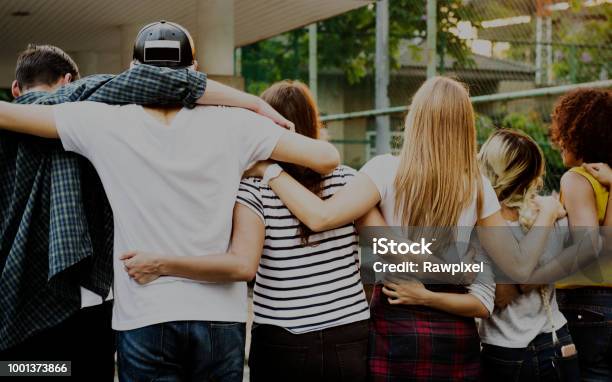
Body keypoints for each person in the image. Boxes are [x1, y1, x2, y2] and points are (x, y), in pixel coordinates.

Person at [0, 22, 337, 382]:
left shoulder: (102, 121)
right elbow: (325, 158)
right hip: (220, 318)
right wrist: (264, 164)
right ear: (194, 70)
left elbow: (10, 114)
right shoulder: (237, 125)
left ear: (133, 72)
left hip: (144, 314)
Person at [246, 76, 566, 381]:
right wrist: (547, 215)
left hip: (397, 323)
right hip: (456, 335)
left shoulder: (383, 171)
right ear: (465, 126)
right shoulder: (478, 187)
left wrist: (271, 170)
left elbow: (322, 218)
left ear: (415, 117)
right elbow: (520, 267)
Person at [121, 80, 377, 382]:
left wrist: (162, 264)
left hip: (283, 339)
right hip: (349, 334)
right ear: (313, 123)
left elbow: (243, 264)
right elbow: (387, 250)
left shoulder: (252, 190)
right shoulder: (348, 180)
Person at [474, 129, 580, 382]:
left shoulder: (480, 226)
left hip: (504, 349)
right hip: (557, 337)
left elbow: (497, 296)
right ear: (534, 173)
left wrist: (517, 285)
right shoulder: (551, 212)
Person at [551, 88, 612, 381]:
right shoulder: (607, 180)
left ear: (580, 132)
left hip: (586, 301)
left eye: (563, 131)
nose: (558, 140)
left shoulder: (576, 179)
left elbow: (591, 246)